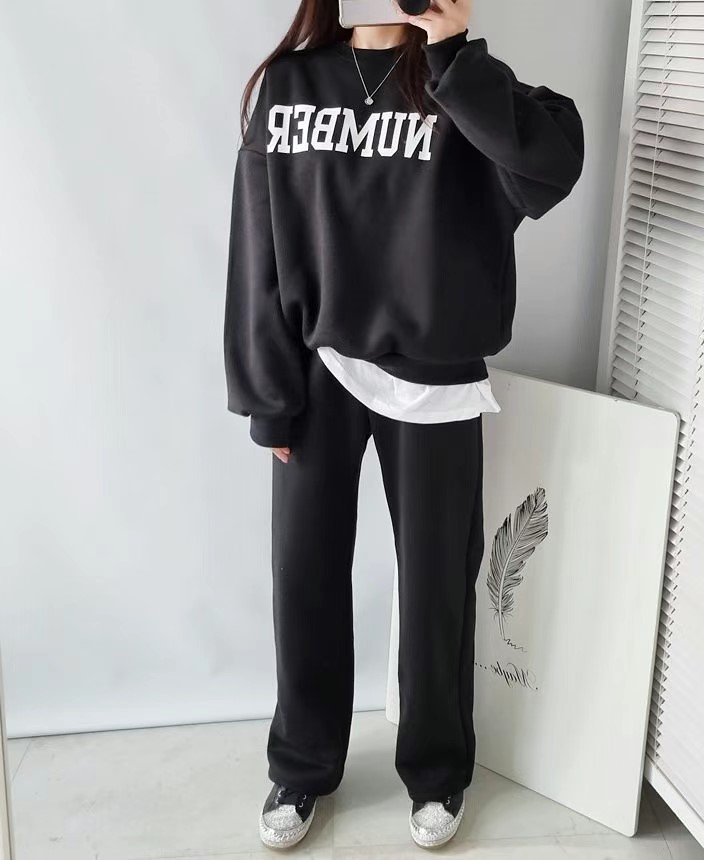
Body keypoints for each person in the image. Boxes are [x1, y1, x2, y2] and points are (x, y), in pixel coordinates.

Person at [223, 0, 584, 849]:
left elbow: (551, 167)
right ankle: (302, 765)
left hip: (435, 375)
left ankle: (437, 770)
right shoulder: (290, 85)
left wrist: (452, 52)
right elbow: (257, 239)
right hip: (317, 372)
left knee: (436, 584)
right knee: (303, 575)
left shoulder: (464, 84)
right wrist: (267, 393)